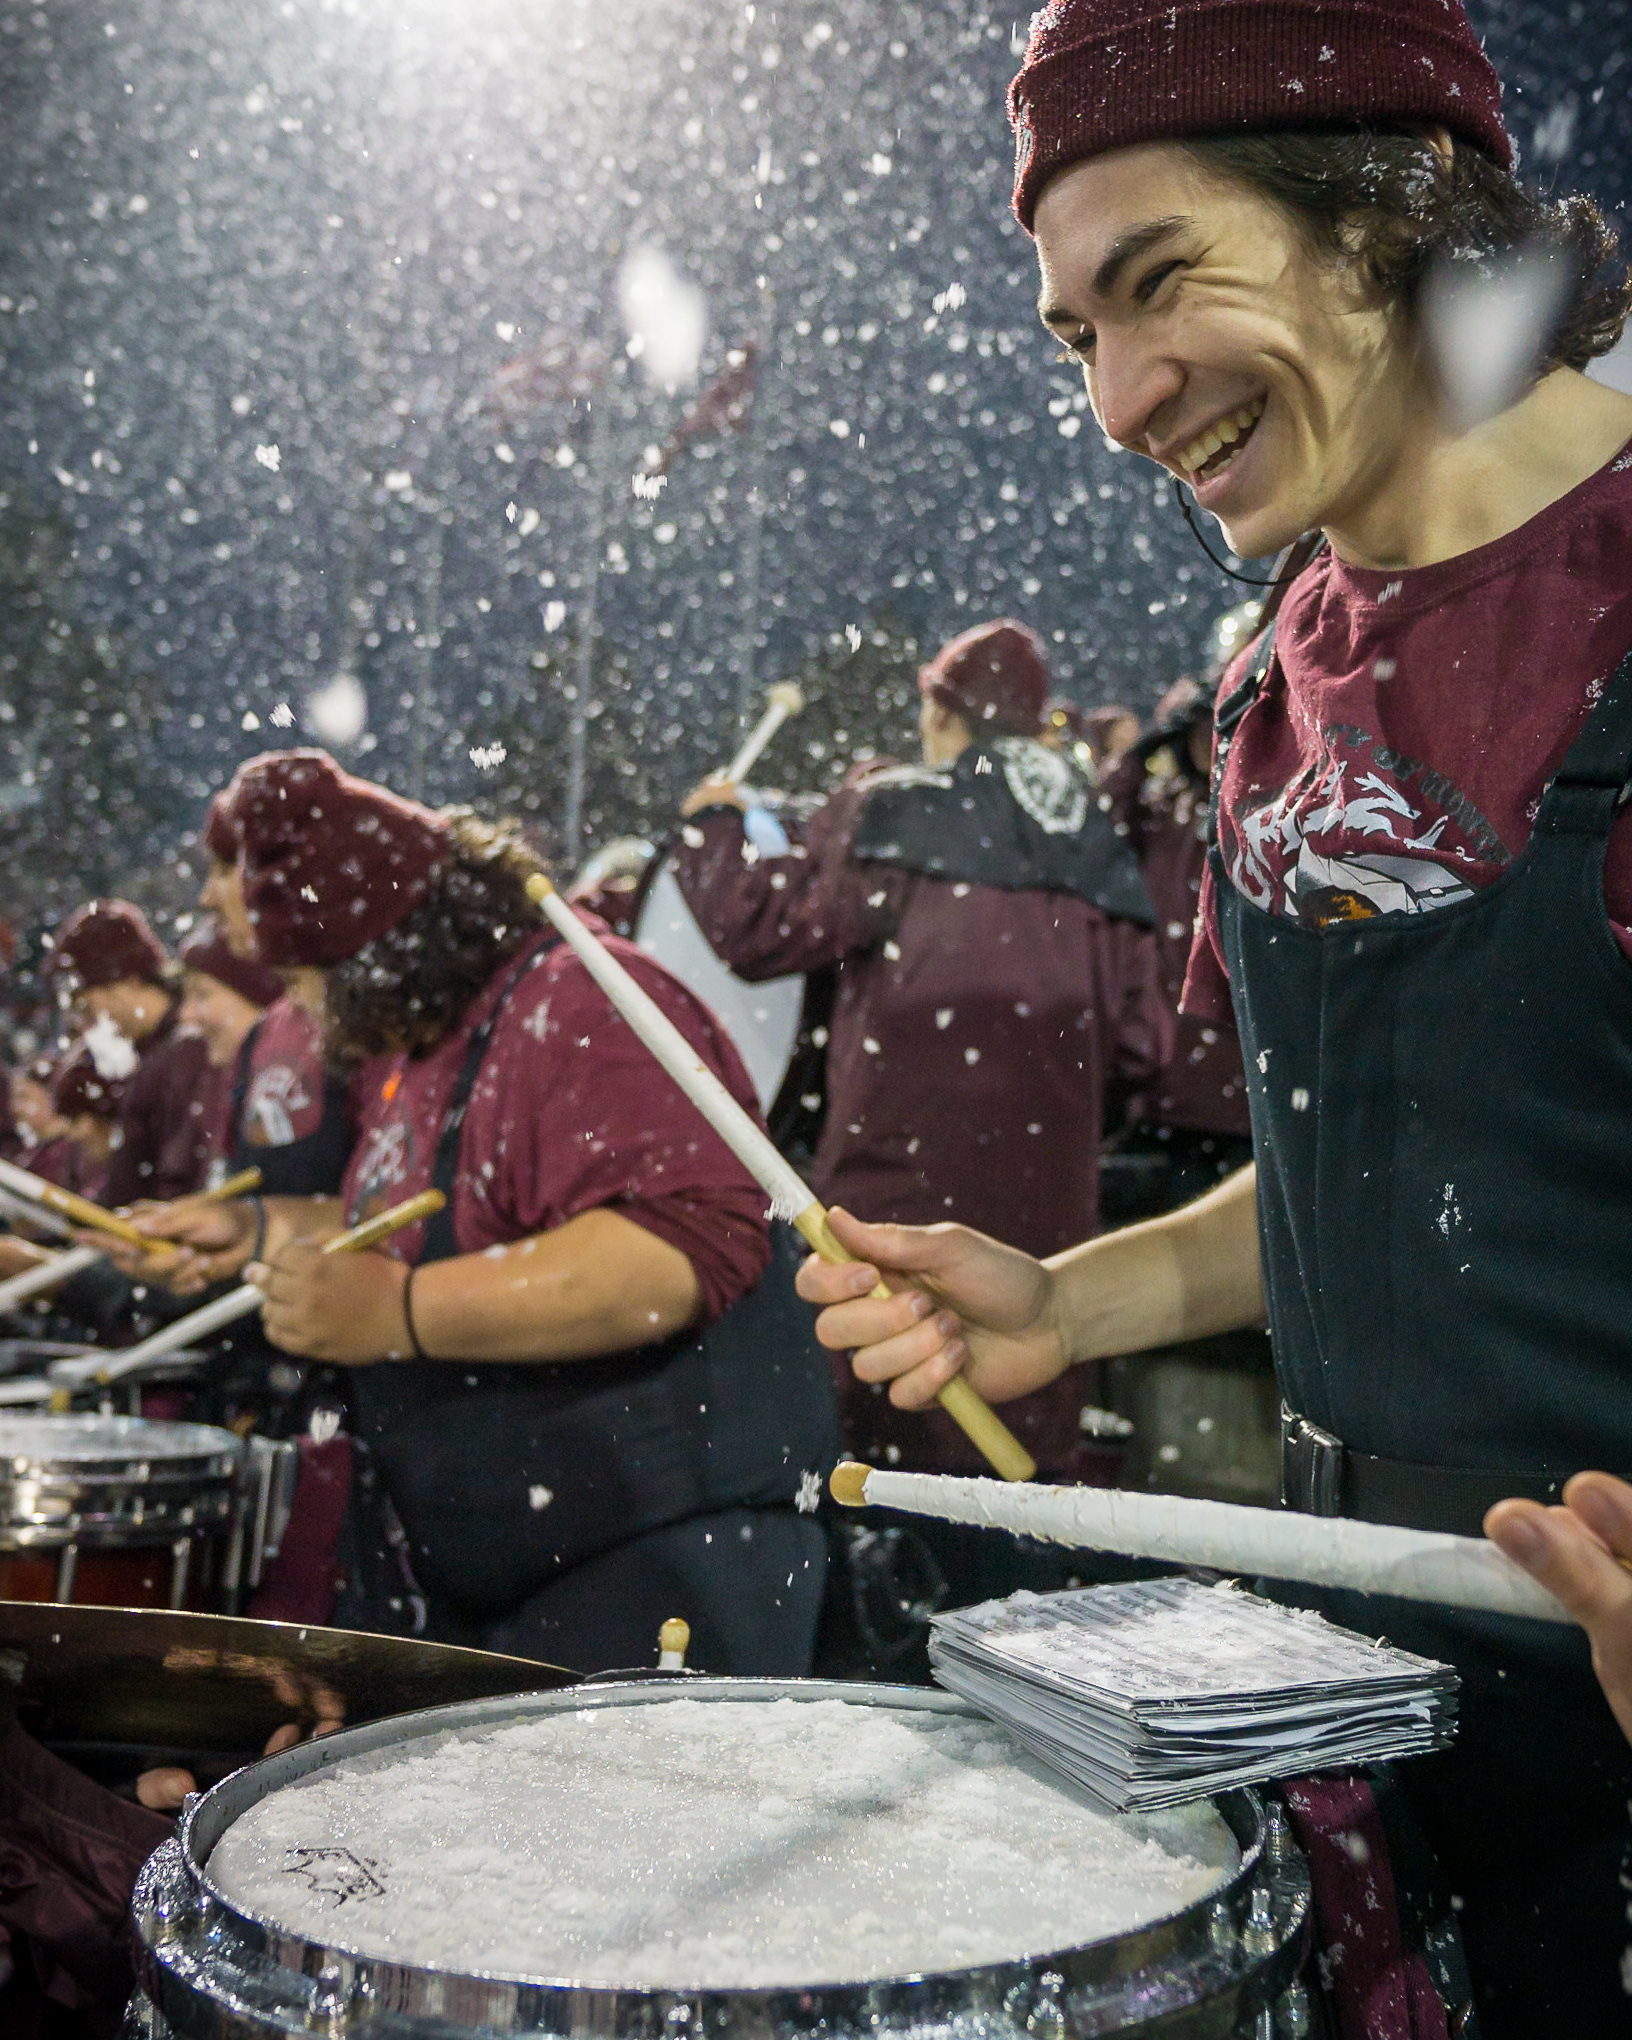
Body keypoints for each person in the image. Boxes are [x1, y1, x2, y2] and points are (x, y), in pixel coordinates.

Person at [797, 2, 1632, 2030]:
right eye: (1077, 330)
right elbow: (1405, 1172)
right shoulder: (1291, 672)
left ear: (1397, 214)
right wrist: (1067, 1307)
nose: (1118, 397)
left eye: (1161, 283)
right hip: (1393, 1727)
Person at [135, 749, 837, 1674]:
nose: (302, 1012)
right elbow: (440, 1226)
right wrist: (259, 1234)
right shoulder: (425, 1046)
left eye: (309, 980)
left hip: (664, 1570)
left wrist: (398, 1316)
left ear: (374, 954)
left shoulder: (575, 1002)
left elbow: (676, 1248)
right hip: (529, 1566)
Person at [43, 899, 212, 1204]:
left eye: (89, 1005)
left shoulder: (183, 1053)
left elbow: (176, 1177)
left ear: (124, 982)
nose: (91, 1021)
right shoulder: (155, 1054)